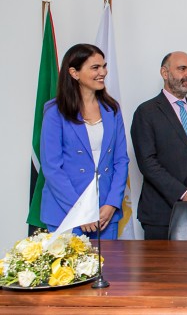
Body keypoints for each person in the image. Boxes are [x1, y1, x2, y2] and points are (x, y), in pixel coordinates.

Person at [40, 43, 128, 239]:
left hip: (105, 214)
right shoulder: (55, 112)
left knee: (108, 261)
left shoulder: (112, 109)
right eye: (95, 67)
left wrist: (112, 203)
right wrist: (81, 211)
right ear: (74, 73)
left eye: (104, 66)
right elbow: (52, 167)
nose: (102, 72)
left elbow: (121, 160)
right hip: (66, 212)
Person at [131, 51, 187, 240]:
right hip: (161, 216)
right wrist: (183, 193)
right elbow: (148, 163)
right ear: (164, 73)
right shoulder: (146, 112)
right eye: (182, 69)